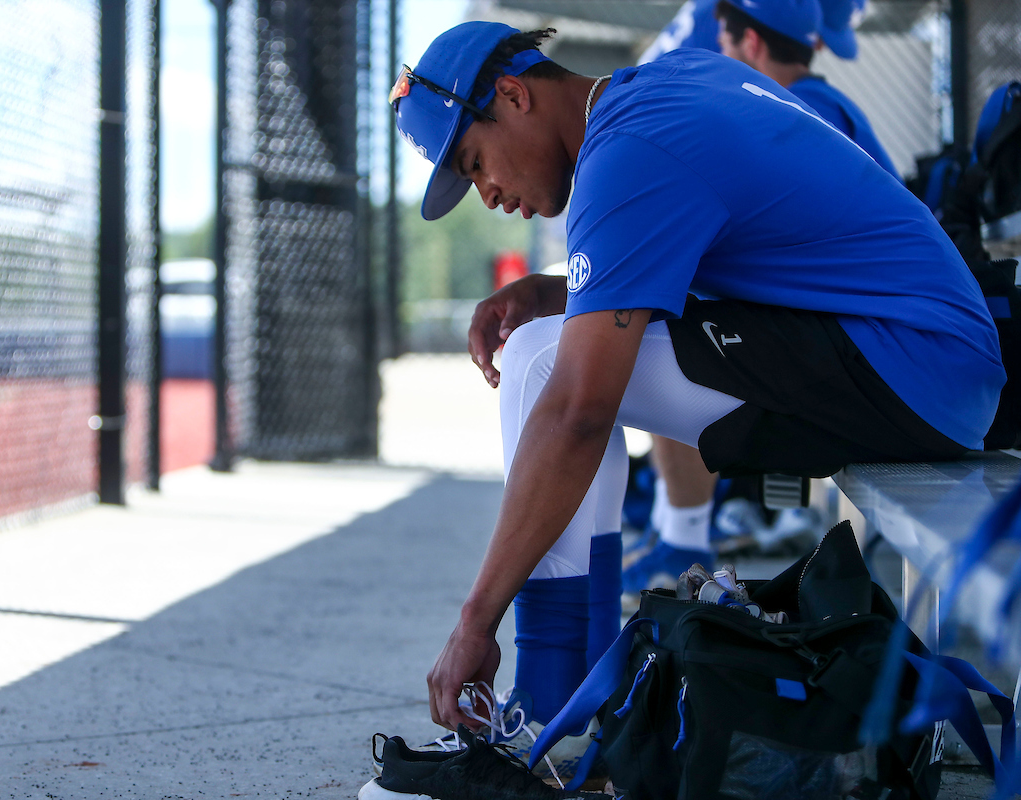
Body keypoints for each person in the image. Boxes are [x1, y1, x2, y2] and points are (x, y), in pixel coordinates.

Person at [391, 19, 1003, 770]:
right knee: (549, 343)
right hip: (922, 357)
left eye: (473, 161)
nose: (486, 194)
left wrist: (474, 618)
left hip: (909, 367)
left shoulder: (627, 152)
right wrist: (558, 290)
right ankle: (566, 701)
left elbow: (579, 411)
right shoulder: (666, 85)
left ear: (514, 95)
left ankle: (553, 710)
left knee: (542, 364)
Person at [622, 0, 904, 594]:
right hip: (866, 337)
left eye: (727, 44)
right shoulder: (813, 103)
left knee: (667, 321)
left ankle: (683, 535)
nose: (721, 59)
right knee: (671, 307)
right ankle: (679, 528)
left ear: (751, 45)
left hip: (874, 351)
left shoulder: (798, 110)